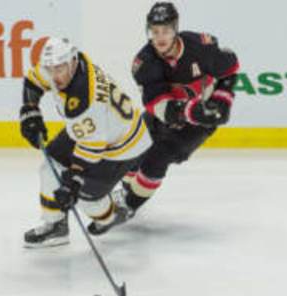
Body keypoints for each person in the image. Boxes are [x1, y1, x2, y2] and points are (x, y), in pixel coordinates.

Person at [20, 37, 152, 247]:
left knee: (86, 199)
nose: (54, 76)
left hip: (123, 145)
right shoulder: (70, 64)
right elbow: (34, 80)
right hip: (95, 130)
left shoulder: (84, 101)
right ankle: (56, 226)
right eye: (50, 69)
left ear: (72, 61)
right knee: (50, 167)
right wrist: (30, 109)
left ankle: (111, 215)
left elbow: (92, 148)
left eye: (60, 68)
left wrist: (73, 182)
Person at [115, 2, 240, 218]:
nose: (160, 37)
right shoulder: (144, 62)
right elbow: (158, 103)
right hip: (167, 114)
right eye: (155, 31)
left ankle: (129, 205)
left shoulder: (201, 47)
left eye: (166, 30)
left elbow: (231, 68)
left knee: (158, 157)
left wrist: (222, 100)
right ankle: (126, 189)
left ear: (176, 29)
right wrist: (189, 110)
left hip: (199, 124)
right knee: (134, 147)